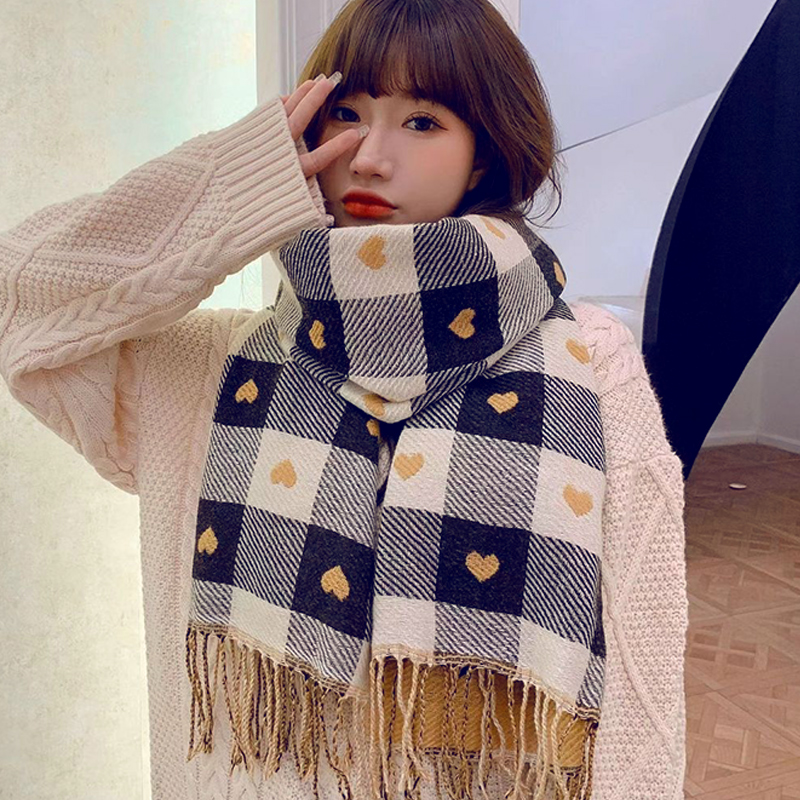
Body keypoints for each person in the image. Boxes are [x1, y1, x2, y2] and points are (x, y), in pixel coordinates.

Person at [0, 1, 688, 798]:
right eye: (346, 115)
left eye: (423, 122)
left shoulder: (588, 362)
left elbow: (641, 670)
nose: (368, 157)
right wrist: (235, 186)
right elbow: (21, 299)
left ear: (483, 158)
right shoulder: (212, 369)